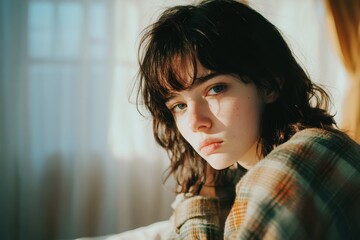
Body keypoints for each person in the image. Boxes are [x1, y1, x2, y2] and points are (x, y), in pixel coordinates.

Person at [136, 0, 360, 239]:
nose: (194, 122)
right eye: (179, 105)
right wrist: (205, 189)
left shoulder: (301, 159)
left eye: (216, 89)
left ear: (269, 84)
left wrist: (200, 199)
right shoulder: (236, 173)